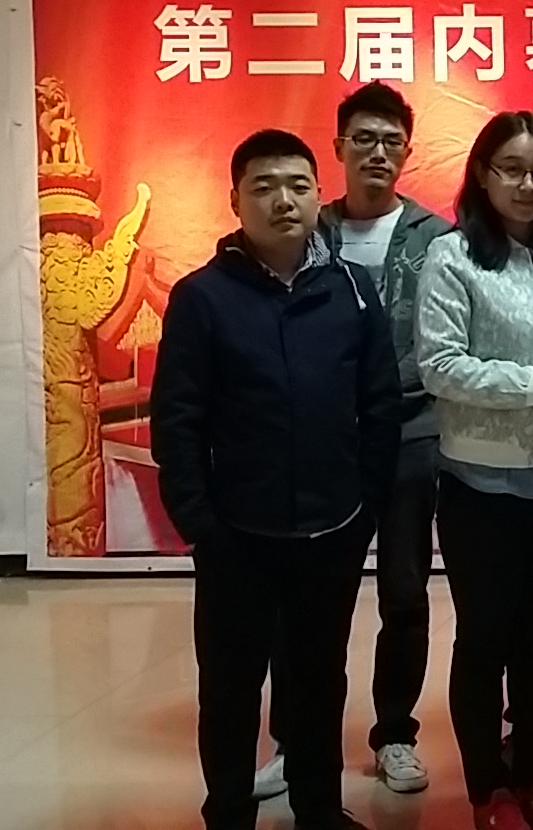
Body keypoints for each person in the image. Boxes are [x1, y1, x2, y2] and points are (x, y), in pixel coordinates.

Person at [151, 130, 399, 830]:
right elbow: (177, 418)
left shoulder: (351, 289)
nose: (282, 200)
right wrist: (200, 523)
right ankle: (229, 812)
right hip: (238, 532)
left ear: (319, 195)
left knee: (318, 678)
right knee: (231, 685)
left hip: (333, 527)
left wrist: (366, 506)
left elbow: (380, 402)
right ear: (235, 202)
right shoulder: (202, 297)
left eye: (297, 185)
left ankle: (318, 808)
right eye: (262, 187)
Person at [417, 111, 533, 830]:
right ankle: (486, 788)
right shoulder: (454, 257)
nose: (528, 185)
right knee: (485, 637)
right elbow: (441, 366)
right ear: (483, 176)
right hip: (482, 484)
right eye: (512, 170)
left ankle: (532, 774)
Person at [303, 81, 453, 797]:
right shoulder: (308, 232)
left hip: (412, 432)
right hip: (323, 439)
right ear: (338, 147)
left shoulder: (437, 238)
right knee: (312, 598)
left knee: (404, 591)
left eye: (392, 141)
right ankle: (299, 742)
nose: (378, 152)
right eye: (363, 139)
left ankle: (395, 732)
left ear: (407, 152)